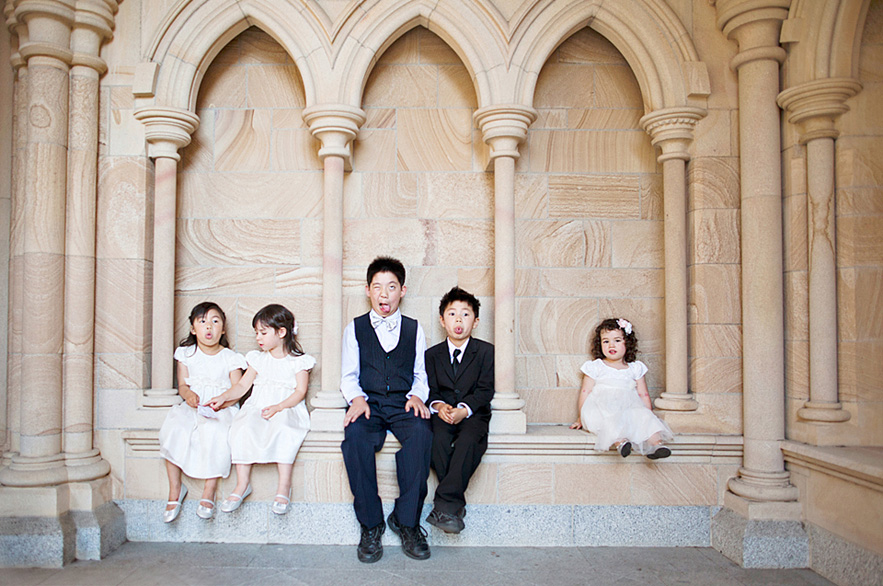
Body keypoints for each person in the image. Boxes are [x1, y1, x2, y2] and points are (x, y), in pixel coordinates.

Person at [340, 256, 433, 563]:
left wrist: (418, 396)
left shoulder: (414, 329)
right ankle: (371, 524)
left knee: (421, 433)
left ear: (402, 290)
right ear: (368, 290)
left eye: (391, 287)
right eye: (378, 287)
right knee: (354, 438)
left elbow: (421, 376)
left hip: (403, 402)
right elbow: (348, 376)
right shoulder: (354, 328)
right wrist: (356, 398)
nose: (384, 294)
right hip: (370, 403)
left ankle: (406, 522)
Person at [206, 304, 314, 515]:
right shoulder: (258, 359)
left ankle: (284, 485)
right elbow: (242, 386)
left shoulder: (299, 362)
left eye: (263, 333)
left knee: (284, 428)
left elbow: (300, 391)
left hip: (286, 407)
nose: (258, 338)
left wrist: (279, 406)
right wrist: (223, 397)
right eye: (256, 333)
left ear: (281, 332)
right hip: (259, 405)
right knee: (242, 427)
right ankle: (242, 484)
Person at [159, 302, 246, 522]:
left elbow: (237, 390)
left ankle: (210, 489)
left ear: (223, 329)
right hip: (193, 405)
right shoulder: (186, 354)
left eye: (215, 321)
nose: (209, 327)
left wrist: (222, 403)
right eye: (203, 321)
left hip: (221, 407)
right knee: (175, 428)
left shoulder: (230, 357)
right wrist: (189, 397)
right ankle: (176, 488)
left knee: (216, 432)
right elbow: (183, 385)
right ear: (192, 328)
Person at [425, 287, 494, 534]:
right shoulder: (431, 355)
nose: (458, 320)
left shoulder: (486, 352)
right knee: (437, 440)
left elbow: (486, 390)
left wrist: (465, 410)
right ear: (442, 320)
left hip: (473, 414)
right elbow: (429, 390)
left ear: (475, 322)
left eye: (465, 314)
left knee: (467, 441)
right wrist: (439, 406)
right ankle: (453, 506)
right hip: (442, 414)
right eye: (452, 314)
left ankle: (444, 505)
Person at [570, 318, 673, 459]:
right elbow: (585, 392)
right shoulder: (596, 366)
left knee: (644, 417)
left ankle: (657, 445)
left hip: (627, 408)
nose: (611, 345)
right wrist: (581, 417)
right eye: (606, 341)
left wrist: (648, 413)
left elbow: (643, 394)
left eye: (617, 340)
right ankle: (621, 443)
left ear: (627, 343)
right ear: (600, 344)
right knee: (607, 418)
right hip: (602, 407)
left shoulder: (634, 368)